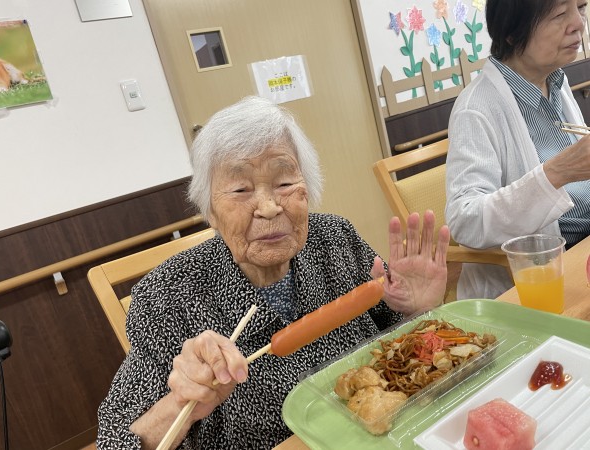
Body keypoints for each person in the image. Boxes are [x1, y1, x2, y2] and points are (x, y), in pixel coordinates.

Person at [97, 96, 450, 449]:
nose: (268, 207)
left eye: (283, 184)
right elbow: (115, 440)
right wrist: (182, 404)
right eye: (241, 189)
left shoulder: (335, 238)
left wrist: (417, 310)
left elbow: (398, 343)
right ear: (210, 212)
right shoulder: (168, 295)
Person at [445, 0, 590, 300]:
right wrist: (556, 172)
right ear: (512, 32)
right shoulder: (476, 108)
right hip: (533, 284)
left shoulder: (555, 82)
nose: (578, 23)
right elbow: (465, 220)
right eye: (560, 14)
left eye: (582, 7)